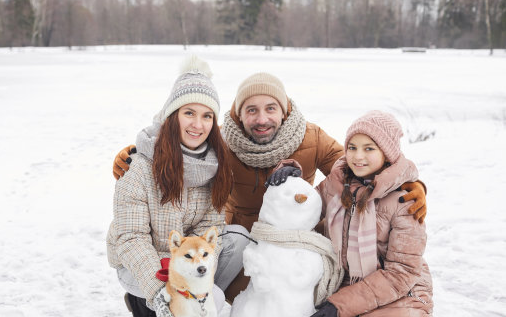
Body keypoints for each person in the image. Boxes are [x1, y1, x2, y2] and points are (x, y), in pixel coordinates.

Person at [113, 73, 427, 301]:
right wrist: (134, 154)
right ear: (238, 114)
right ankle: (150, 305)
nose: (262, 118)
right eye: (251, 110)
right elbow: (179, 144)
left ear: (285, 110)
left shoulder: (311, 137)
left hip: (296, 243)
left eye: (270, 108)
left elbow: (361, 165)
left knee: (297, 299)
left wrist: (411, 182)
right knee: (236, 302)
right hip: (242, 244)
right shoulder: (221, 141)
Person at [106, 56, 248, 317]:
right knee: (154, 294)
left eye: (207, 116)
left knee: (237, 241)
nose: (198, 124)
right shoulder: (139, 165)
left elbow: (211, 229)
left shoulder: (214, 165)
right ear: (173, 115)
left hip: (186, 262)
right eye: (189, 113)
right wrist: (165, 287)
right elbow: (131, 238)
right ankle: (149, 306)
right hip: (146, 263)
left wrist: (191, 273)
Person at [289, 110, 433, 317]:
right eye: (352, 147)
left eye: (369, 148)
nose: (357, 156)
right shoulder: (337, 182)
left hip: (402, 291)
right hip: (355, 285)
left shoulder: (407, 200)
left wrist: (339, 306)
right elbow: (304, 204)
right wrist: (289, 176)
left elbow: (401, 273)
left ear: (387, 153)